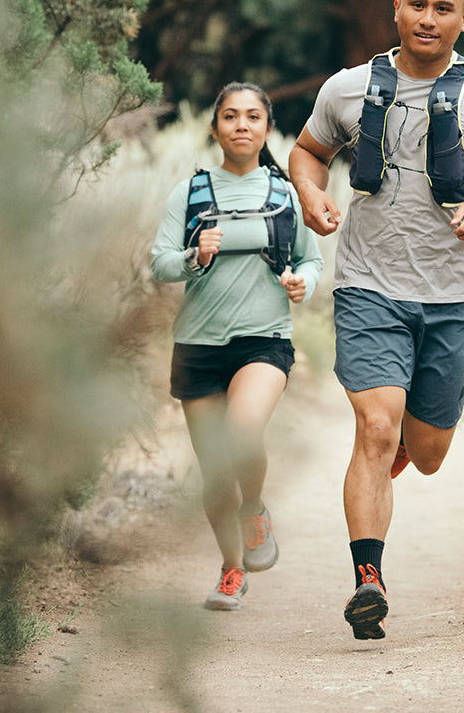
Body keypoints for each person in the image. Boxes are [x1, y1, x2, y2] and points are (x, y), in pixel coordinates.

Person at [288, 0, 464, 640]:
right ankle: (368, 580)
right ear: (396, 10)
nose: (428, 18)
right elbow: (307, 150)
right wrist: (312, 191)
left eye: (443, 8)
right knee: (375, 429)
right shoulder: (349, 88)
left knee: (428, 453)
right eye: (416, 4)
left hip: (452, 296)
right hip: (368, 285)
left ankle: (404, 442)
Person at [151, 82, 323, 611]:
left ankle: (255, 508)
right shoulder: (190, 193)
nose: (241, 125)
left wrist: (303, 285)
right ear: (215, 127)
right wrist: (192, 256)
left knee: (242, 433)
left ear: (267, 128)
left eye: (253, 116)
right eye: (230, 116)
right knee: (212, 470)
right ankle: (230, 570)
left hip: (264, 339)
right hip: (197, 345)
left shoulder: (286, 193)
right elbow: (158, 265)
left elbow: (311, 260)